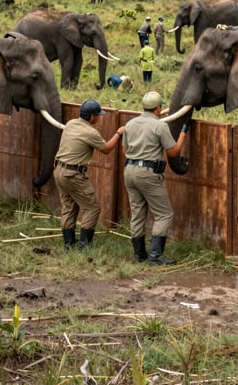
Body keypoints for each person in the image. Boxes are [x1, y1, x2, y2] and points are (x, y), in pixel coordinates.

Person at [122, 91, 189, 265]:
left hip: (129, 170)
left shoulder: (130, 124)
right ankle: (155, 256)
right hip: (148, 173)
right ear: (159, 108)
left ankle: (139, 255)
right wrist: (183, 134)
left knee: (137, 214)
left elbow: (125, 151)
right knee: (164, 214)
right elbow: (173, 152)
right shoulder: (159, 126)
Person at [53, 99, 125, 251]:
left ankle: (69, 245)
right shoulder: (90, 132)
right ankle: (84, 245)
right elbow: (106, 149)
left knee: (69, 207)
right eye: (98, 115)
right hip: (72, 174)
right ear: (92, 117)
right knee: (92, 207)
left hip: (58, 170)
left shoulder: (71, 123)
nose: (99, 118)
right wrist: (119, 133)